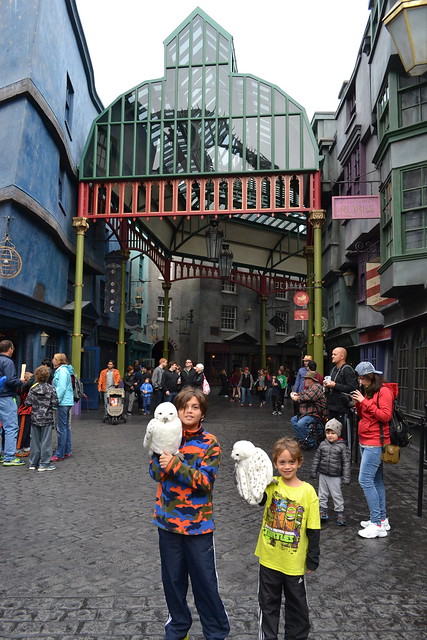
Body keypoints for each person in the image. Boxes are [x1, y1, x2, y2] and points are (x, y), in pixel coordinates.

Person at [148, 388, 230, 640]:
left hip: (198, 526)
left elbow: (205, 481)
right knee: (173, 581)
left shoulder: (210, 443)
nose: (189, 411)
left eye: (195, 407)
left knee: (205, 583)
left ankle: (215, 632)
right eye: (184, 406)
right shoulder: (166, 437)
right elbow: (154, 473)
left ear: (202, 412)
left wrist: (174, 465)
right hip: (167, 522)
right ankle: (178, 627)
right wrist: (160, 458)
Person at [255, 437, 320, 640]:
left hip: (294, 563)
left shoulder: (308, 491)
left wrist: (313, 558)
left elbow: (313, 528)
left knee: (297, 608)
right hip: (269, 559)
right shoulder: (271, 485)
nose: (287, 466)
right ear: (275, 464)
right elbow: (257, 498)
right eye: (282, 462)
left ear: (299, 462)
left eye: (291, 462)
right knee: (268, 605)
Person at [350, 361, 395, 539]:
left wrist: (364, 402)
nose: (360, 381)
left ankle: (376, 523)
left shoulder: (383, 391)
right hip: (367, 440)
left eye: (362, 378)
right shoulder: (370, 391)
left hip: (375, 442)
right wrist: (359, 404)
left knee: (365, 480)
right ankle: (382, 519)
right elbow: (365, 416)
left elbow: (385, 416)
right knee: (376, 481)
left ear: (371, 377)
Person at [310, 418, 351, 525]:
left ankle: (340, 512)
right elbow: (316, 459)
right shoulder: (323, 444)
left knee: (336, 494)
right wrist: (313, 471)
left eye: (333, 433)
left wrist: (346, 477)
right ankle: (322, 510)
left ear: (338, 433)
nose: (330, 435)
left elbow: (346, 463)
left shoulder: (342, 447)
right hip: (323, 473)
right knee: (322, 494)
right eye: (328, 433)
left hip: (335, 476)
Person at [24, 365, 58, 471]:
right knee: (46, 441)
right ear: (47, 376)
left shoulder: (33, 388)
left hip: (35, 418)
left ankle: (33, 463)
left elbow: (27, 403)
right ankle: (44, 463)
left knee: (34, 441)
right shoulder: (51, 388)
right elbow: (55, 402)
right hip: (47, 418)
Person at [0, 340, 26, 467]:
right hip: (6, 397)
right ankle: (9, 457)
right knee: (11, 427)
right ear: (10, 348)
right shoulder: (8, 362)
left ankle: (1, 454)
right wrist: (20, 381)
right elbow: (10, 381)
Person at [290, 371, 327, 448]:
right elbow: (303, 393)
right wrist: (296, 394)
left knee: (300, 424)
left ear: (311, 380)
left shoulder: (317, 387)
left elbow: (309, 397)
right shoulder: (309, 388)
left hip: (314, 414)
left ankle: (310, 442)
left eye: (306, 379)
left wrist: (297, 398)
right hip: (306, 413)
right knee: (293, 420)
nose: (305, 380)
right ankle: (303, 439)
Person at [323, 347, 358, 424]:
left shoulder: (347, 369)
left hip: (342, 408)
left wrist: (335, 385)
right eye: (332, 354)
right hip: (332, 406)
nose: (332, 356)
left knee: (342, 432)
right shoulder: (333, 369)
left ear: (342, 357)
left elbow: (352, 387)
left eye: (335, 354)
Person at [51, 353, 74, 462]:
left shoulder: (62, 371)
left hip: (63, 402)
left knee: (61, 428)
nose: (53, 360)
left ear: (59, 361)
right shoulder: (64, 371)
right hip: (66, 401)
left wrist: (56, 400)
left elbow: (61, 387)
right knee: (65, 427)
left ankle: (60, 453)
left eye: (54, 359)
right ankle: (67, 450)